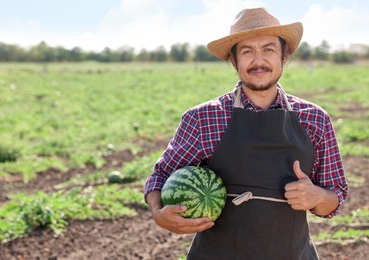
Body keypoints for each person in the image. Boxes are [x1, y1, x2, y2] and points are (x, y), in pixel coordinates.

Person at [144, 7, 348, 259]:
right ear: (234, 60)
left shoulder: (314, 119)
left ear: (283, 57)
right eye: (247, 51)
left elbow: (335, 194)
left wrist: (317, 196)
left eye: (269, 49)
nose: (258, 60)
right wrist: (158, 213)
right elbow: (161, 176)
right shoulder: (202, 118)